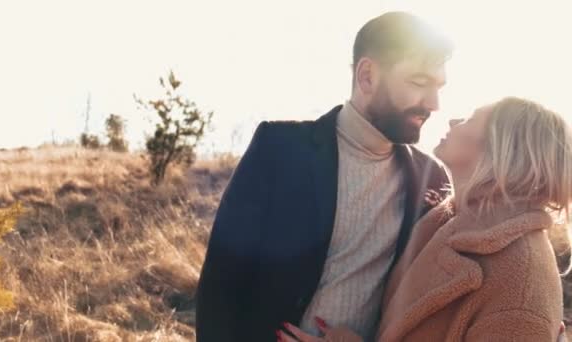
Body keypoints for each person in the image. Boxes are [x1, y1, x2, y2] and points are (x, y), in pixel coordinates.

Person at [196, 11, 453, 341]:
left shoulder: (432, 179)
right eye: (419, 83)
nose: (433, 103)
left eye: (439, 87)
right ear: (367, 76)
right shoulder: (279, 148)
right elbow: (221, 280)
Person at [279, 97, 571, 341]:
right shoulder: (443, 224)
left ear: (503, 150)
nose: (453, 120)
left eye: (470, 118)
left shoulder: (521, 287)